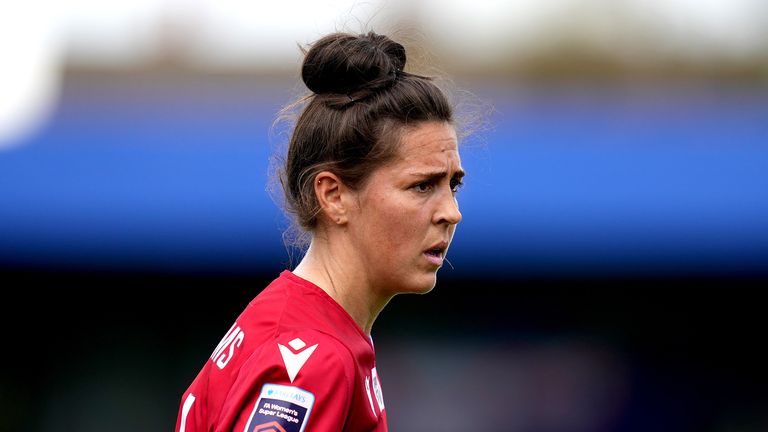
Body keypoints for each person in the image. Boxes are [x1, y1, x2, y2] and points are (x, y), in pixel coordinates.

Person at [175, 30, 464, 432]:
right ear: (333, 196)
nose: (451, 213)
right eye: (422, 186)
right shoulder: (312, 362)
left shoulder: (294, 324)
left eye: (453, 185)